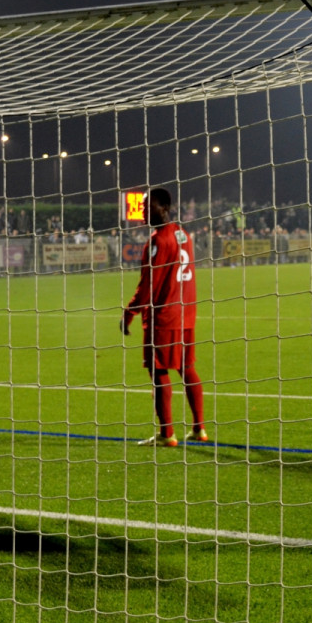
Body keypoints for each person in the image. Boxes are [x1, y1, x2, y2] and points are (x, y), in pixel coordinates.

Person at [121, 187, 206, 446]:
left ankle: (167, 434)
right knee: (186, 367)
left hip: (164, 317)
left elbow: (148, 286)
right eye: (143, 207)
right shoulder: (183, 234)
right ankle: (199, 428)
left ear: (164, 208)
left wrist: (130, 311)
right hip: (186, 314)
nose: (144, 211)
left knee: (159, 371)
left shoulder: (157, 241)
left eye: (149, 207)